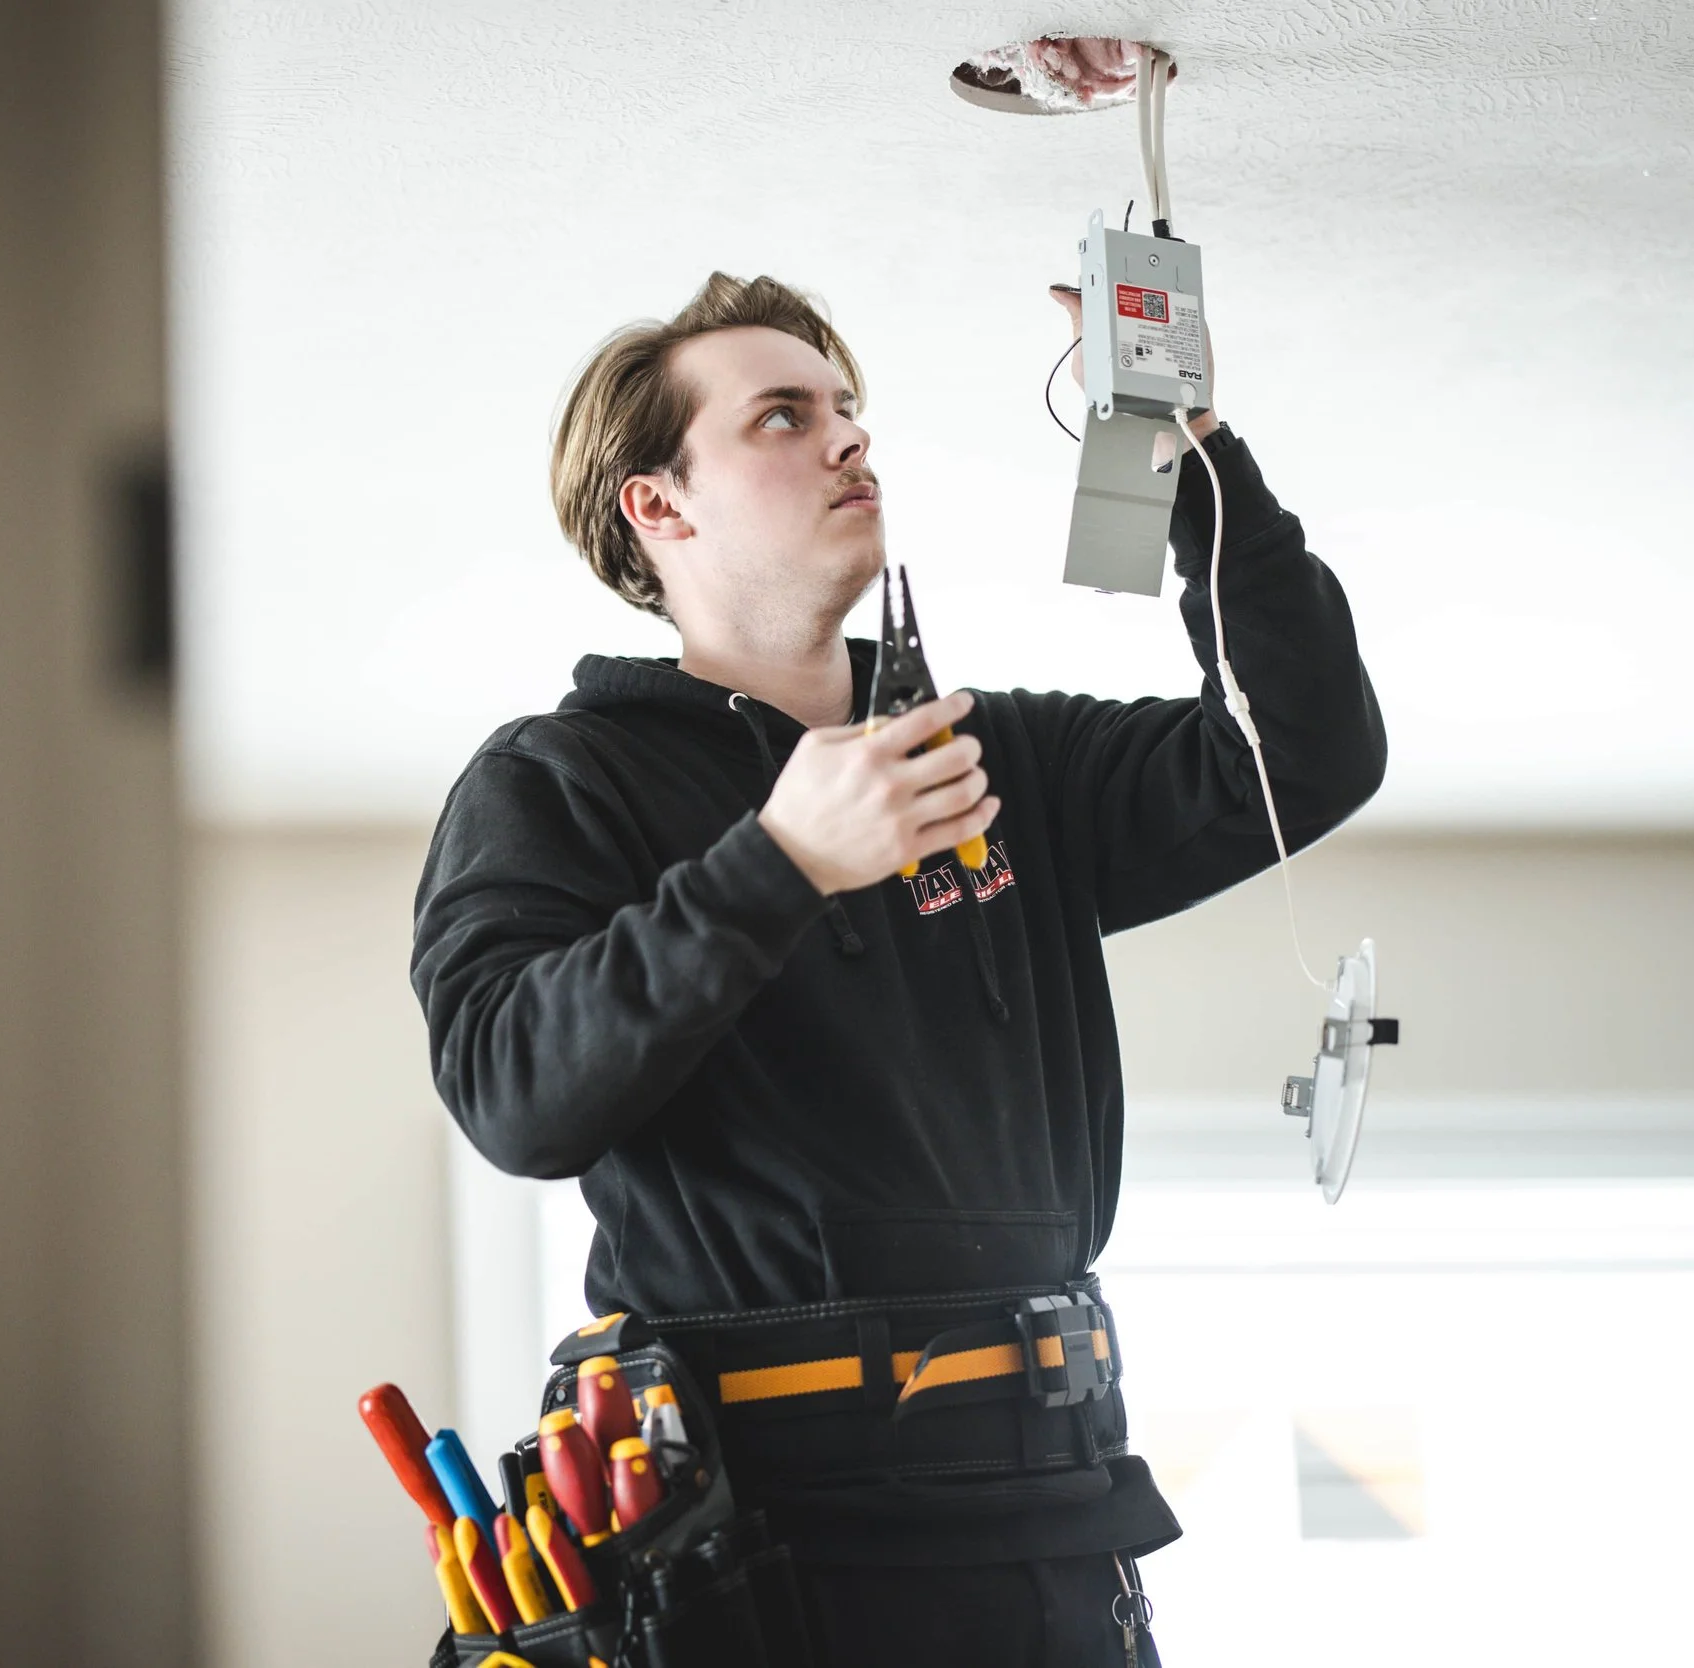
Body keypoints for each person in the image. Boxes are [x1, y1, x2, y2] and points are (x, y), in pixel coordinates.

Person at [410, 270, 1386, 1665]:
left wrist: (1197, 461)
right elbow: (515, 1096)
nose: (850, 440)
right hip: (766, 1545)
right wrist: (779, 862)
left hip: (1051, 1514)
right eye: (785, 416)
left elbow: (1310, 760)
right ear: (659, 503)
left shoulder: (1003, 761)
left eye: (849, 412)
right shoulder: (558, 781)